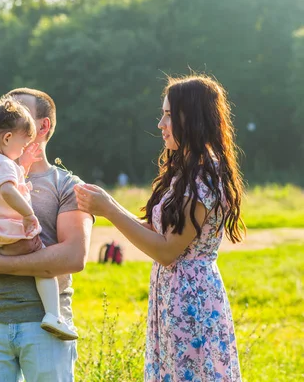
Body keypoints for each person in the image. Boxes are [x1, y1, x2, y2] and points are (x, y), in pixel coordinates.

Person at [75, 75, 245, 381]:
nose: (160, 124)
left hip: (192, 301)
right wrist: (101, 207)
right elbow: (159, 233)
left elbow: (168, 250)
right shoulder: (185, 171)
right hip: (173, 295)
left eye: (168, 115)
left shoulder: (205, 175)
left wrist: (110, 209)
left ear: (190, 118)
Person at [0, 88, 93, 381]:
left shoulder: (68, 186)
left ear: (42, 126)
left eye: (19, 113)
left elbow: (73, 256)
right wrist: (32, 258)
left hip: (45, 328)